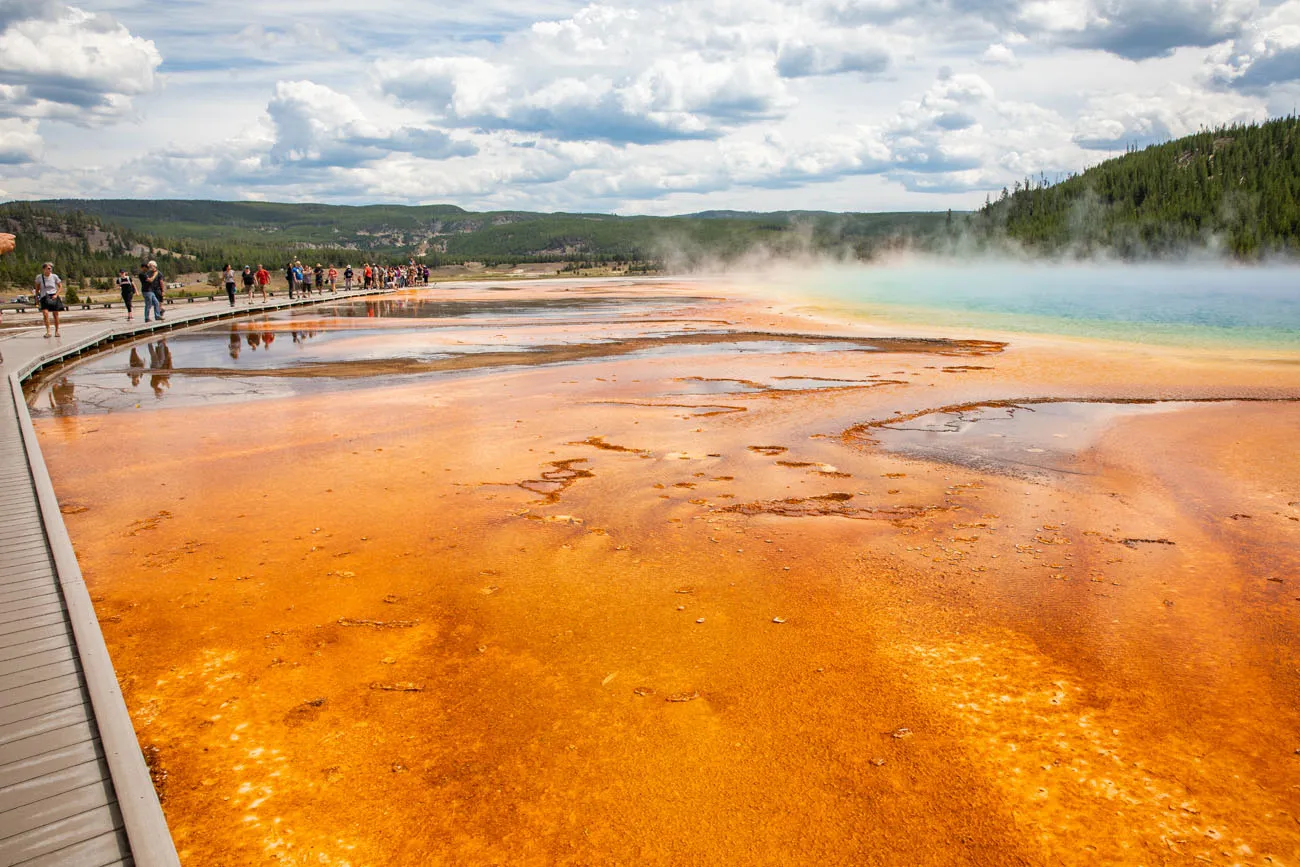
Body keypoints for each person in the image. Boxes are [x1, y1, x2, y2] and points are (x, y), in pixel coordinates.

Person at [34, 261, 64, 337]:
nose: (50, 270)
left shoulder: (54, 276)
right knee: (45, 314)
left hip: (53, 296)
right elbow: (37, 289)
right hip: (44, 296)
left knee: (55, 315)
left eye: (51, 268)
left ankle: (57, 331)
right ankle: (48, 331)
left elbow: (60, 286)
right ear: (44, 269)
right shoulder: (39, 277)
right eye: (48, 268)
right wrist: (37, 299)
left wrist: (56, 295)